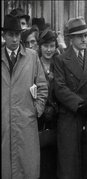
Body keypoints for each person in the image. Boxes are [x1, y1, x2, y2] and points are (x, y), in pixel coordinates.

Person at [53, 16, 87, 179]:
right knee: (70, 165)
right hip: (70, 116)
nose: (85, 39)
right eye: (80, 36)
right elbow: (60, 88)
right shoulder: (61, 59)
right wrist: (80, 104)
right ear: (70, 39)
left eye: (86, 35)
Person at [2, 14, 48, 179]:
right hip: (4, 122)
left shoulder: (32, 56)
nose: (15, 39)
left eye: (17, 34)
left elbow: (42, 86)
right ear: (4, 36)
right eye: (10, 35)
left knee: (27, 167)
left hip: (26, 122)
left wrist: (36, 110)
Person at [38, 28, 59, 179]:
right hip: (38, 119)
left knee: (54, 160)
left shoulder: (59, 65)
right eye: (46, 46)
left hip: (56, 119)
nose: (49, 49)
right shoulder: (33, 64)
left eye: (52, 46)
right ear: (40, 46)